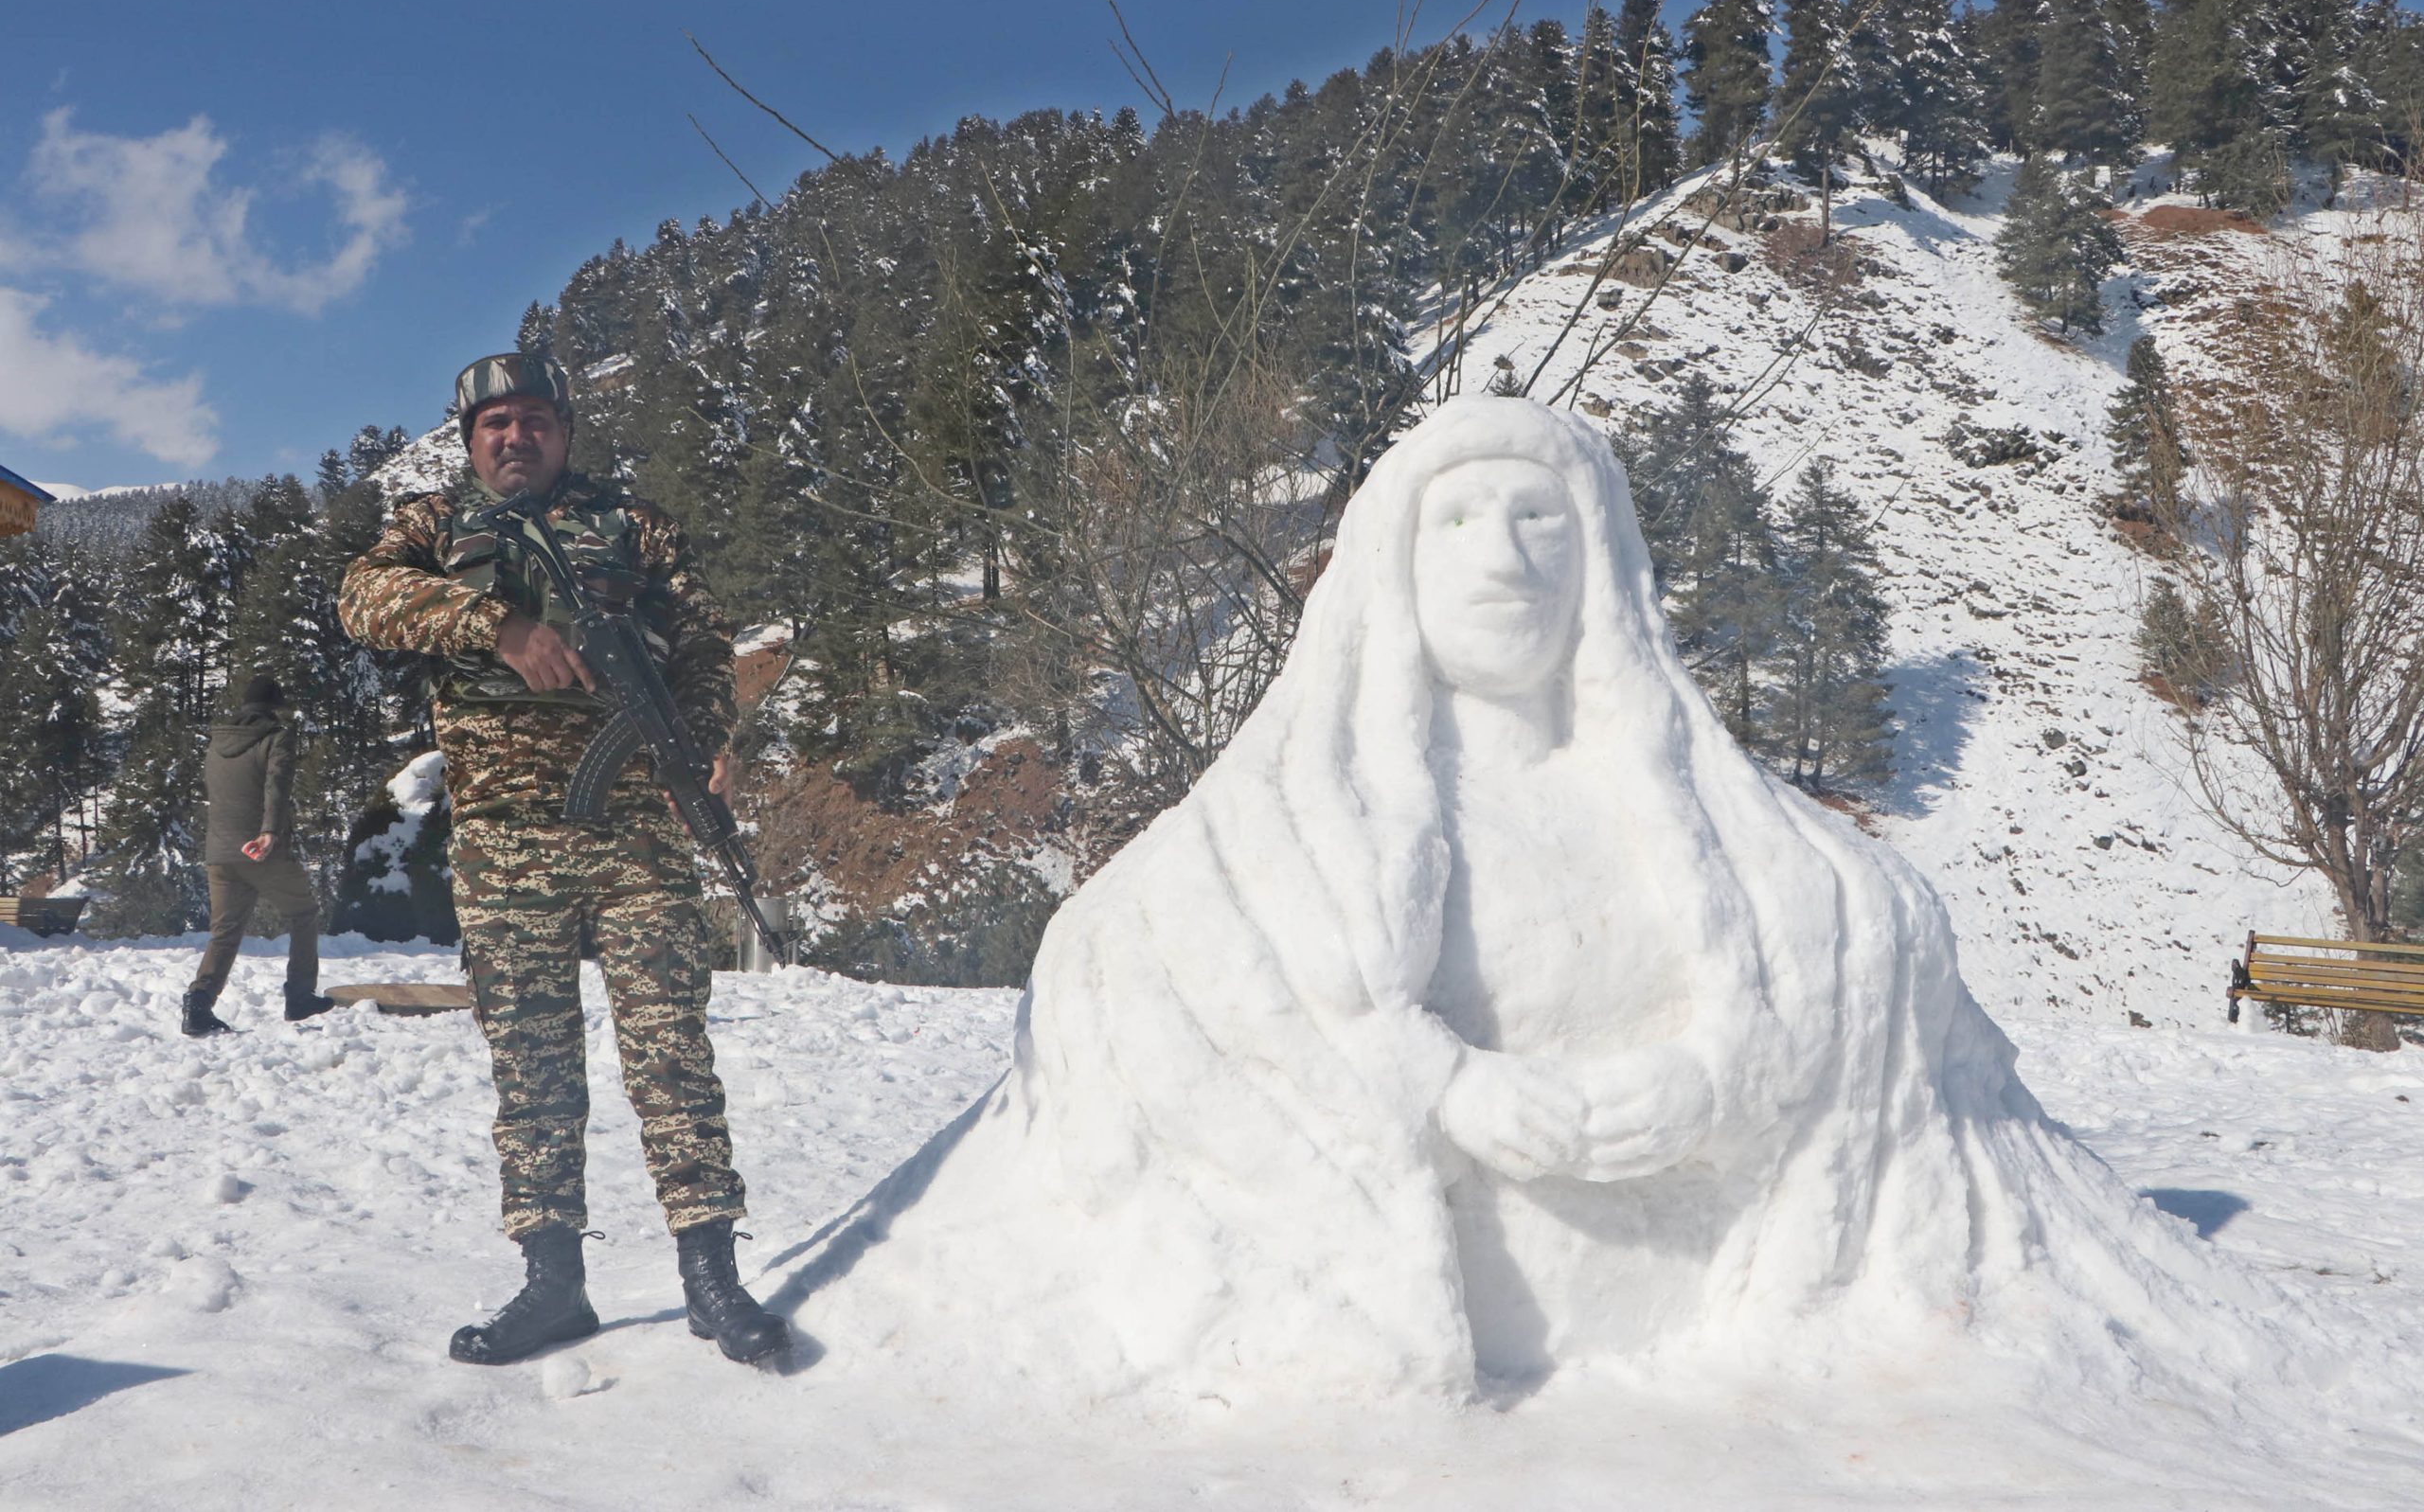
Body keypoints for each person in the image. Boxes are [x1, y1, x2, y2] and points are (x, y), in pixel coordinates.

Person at [795, 396, 2260, 1404]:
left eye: (1541, 519)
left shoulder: (1715, 819)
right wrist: (1434, 1079)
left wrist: (1718, 1074)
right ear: (1392, 562)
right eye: (1460, 520)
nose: (1503, 556)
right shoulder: (1282, 823)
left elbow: (1864, 944)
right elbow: (1136, 957)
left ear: (1601, 560)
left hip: (1711, 1406)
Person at [337, 351, 784, 1367]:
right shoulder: (432, 526)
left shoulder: (634, 526)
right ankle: (553, 1285)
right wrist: (499, 625)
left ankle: (710, 1275)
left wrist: (707, 738)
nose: (515, 436)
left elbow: (703, 640)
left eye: (535, 418)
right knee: (532, 1065)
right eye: (495, 423)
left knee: (671, 1053)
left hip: (637, 832)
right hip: (504, 843)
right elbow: (363, 599)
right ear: (469, 441)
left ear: (565, 432)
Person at [186, 674, 332, 1036]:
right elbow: (276, 786)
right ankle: (299, 996)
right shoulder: (276, 737)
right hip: (259, 849)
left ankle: (198, 1003)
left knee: (224, 933)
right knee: (303, 913)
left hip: (220, 853)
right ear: (273, 708)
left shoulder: (217, 743)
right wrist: (269, 832)